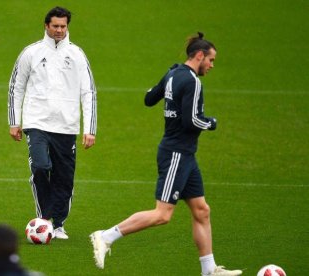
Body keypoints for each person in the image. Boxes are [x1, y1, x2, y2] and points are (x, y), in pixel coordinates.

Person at [90, 33, 242, 276]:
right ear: (199, 55)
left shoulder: (173, 73)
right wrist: (211, 122)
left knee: (202, 210)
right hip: (176, 154)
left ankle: (209, 269)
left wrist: (165, 87)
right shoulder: (192, 82)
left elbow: (149, 98)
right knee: (162, 215)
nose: (212, 66)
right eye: (211, 60)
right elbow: (192, 121)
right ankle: (105, 236)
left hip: (185, 154)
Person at [7, 6, 97, 239]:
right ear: (46, 26)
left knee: (64, 177)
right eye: (55, 26)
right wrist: (14, 121)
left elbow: (88, 92)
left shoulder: (77, 54)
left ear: (67, 27)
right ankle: (44, 218)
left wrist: (89, 129)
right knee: (40, 166)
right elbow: (16, 87)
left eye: (63, 26)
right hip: (37, 122)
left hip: (66, 126)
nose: (59, 30)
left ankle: (58, 224)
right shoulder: (31, 52)